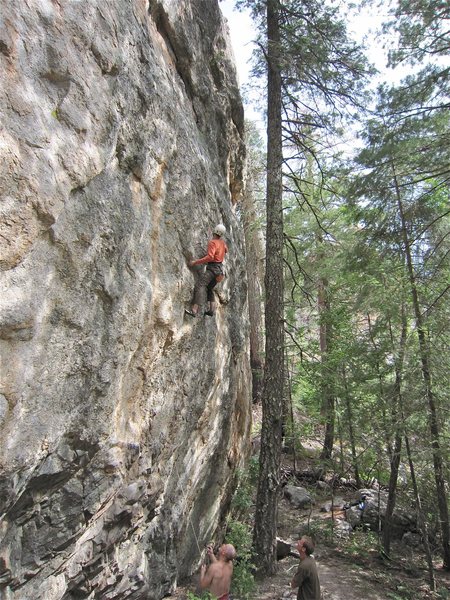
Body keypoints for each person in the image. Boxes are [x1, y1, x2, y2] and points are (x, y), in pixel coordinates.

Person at [185, 224, 228, 317]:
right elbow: (226, 250)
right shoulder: (223, 243)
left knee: (200, 285)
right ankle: (212, 310)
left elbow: (210, 257)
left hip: (213, 269)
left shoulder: (212, 242)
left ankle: (194, 310)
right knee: (209, 288)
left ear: (215, 230)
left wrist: (195, 262)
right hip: (220, 271)